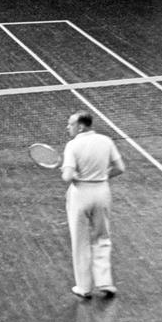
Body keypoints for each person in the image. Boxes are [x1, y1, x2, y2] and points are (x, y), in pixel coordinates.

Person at [62, 110, 125, 300]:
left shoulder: (72, 146)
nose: (68, 127)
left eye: (70, 124)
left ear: (80, 126)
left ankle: (83, 287)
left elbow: (67, 177)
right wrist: (102, 177)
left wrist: (72, 173)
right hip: (102, 192)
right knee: (102, 237)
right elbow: (120, 168)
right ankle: (105, 283)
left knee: (79, 241)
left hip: (80, 194)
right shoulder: (106, 141)